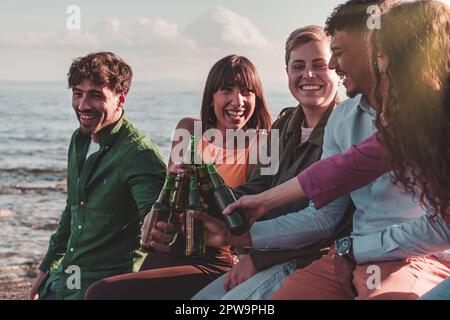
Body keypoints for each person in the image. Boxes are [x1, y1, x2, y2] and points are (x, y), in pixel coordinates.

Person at [194, 0, 450, 300]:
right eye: (298, 66)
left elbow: (440, 226)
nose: (331, 65)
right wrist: (238, 218)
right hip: (349, 256)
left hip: (413, 257)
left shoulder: (430, 117)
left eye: (335, 55)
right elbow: (341, 172)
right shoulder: (307, 125)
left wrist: (356, 248)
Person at [84, 55, 273, 299]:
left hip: (216, 255)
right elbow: (170, 202)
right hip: (172, 245)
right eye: (226, 90)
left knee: (102, 294)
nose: (237, 101)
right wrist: (162, 204)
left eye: (247, 91)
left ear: (256, 97)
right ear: (211, 96)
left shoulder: (265, 143)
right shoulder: (189, 128)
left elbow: (259, 218)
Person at [192, 25, 354, 300]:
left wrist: (257, 260)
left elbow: (326, 226)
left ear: (336, 71)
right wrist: (201, 194)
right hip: (262, 253)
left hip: (306, 262)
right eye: (298, 66)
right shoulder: (282, 127)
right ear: (287, 72)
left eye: (319, 65)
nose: (308, 75)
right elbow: (258, 186)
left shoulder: (346, 128)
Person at [29, 52, 167, 300]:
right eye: (77, 93)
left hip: (104, 287)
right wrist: (46, 266)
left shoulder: (139, 154)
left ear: (120, 99)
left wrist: (158, 225)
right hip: (64, 279)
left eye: (95, 95)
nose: (82, 105)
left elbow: (156, 223)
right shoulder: (79, 139)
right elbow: (73, 208)